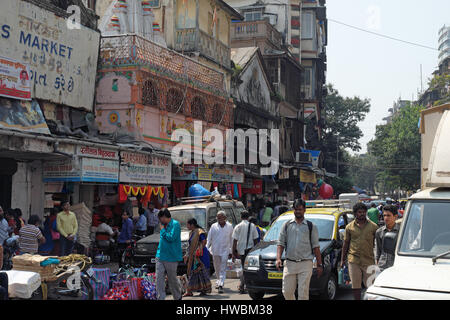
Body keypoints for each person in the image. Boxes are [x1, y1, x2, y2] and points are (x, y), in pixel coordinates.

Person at [276, 199, 323, 300]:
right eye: (296, 209)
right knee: (287, 292)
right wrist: (278, 258)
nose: (298, 211)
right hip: (289, 263)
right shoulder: (286, 225)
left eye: (300, 209)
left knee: (303, 294)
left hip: (305, 264)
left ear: (304, 210)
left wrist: (319, 265)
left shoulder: (311, 226)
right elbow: (280, 243)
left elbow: (316, 247)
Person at [340, 202, 379, 300]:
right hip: (354, 261)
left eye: (363, 212)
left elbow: (378, 244)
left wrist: (378, 259)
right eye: (359, 212)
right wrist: (342, 260)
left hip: (369, 260)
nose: (362, 214)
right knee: (356, 286)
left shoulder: (373, 227)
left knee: (370, 287)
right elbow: (346, 244)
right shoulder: (349, 227)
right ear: (355, 214)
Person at [155, 208, 182, 300]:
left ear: (164, 217)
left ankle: (177, 297)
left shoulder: (175, 224)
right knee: (159, 279)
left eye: (160, 218)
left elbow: (171, 238)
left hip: (171, 257)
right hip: (160, 255)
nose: (160, 221)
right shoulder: (163, 225)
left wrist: (162, 230)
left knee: (172, 279)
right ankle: (160, 297)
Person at [232, 210, 259, 294]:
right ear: (248, 217)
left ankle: (242, 285)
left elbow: (234, 241)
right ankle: (244, 285)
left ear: (241, 217)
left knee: (243, 269)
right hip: (250, 250)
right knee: (249, 269)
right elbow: (255, 240)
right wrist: (255, 251)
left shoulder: (238, 226)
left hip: (240, 252)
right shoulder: (253, 226)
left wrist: (233, 252)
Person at [183, 218, 211, 297]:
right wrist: (187, 255)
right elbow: (190, 245)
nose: (187, 226)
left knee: (201, 272)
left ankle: (203, 290)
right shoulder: (191, 233)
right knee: (192, 273)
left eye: (188, 224)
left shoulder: (199, 232)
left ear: (192, 225)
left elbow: (204, 241)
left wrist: (199, 250)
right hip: (193, 256)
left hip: (200, 256)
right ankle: (189, 290)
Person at [207, 211, 233, 294]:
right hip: (215, 250)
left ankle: (221, 284)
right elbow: (209, 238)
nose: (219, 219)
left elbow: (232, 239)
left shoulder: (229, 226)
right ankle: (219, 281)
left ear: (225, 218)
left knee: (223, 268)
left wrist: (231, 251)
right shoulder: (213, 226)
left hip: (225, 250)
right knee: (217, 268)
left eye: (221, 217)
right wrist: (207, 249)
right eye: (218, 218)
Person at [375, 205, 400, 271]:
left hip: (396, 265)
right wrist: (377, 265)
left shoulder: (401, 231)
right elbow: (378, 251)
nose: (386, 218)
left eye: (388, 215)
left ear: (395, 217)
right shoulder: (379, 232)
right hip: (382, 266)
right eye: (384, 215)